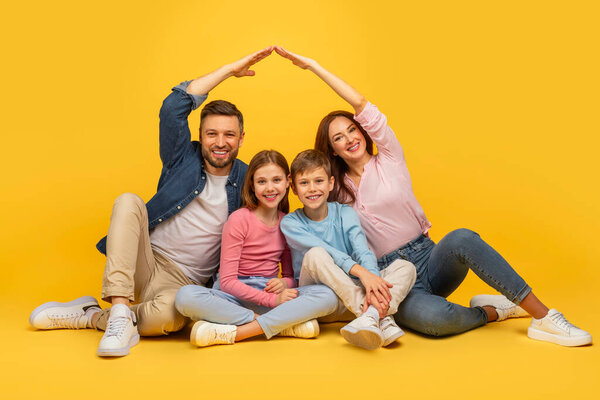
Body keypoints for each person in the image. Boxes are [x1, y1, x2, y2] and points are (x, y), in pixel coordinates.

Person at [274, 46, 592, 347]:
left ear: (363, 131)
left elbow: (363, 104)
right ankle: (496, 311)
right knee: (435, 322)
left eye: (352, 130)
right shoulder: (333, 188)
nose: (349, 139)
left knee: (463, 238)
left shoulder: (389, 157)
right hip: (389, 277)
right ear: (332, 149)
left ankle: (544, 317)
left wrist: (313, 67)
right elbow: (309, 203)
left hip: (429, 256)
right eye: (338, 138)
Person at [29, 47, 275, 356]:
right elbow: (172, 108)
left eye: (229, 134)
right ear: (200, 135)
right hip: (143, 258)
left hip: (185, 282)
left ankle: (91, 315)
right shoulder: (181, 157)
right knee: (128, 201)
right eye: (212, 133)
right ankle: (119, 309)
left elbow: (274, 224)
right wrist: (229, 70)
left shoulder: (249, 179)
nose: (220, 142)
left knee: (170, 320)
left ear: (241, 138)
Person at [175, 150, 339, 347]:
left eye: (276, 180)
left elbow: (290, 276)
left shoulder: (287, 223)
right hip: (233, 299)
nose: (270, 188)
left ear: (288, 182)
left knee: (328, 296)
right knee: (185, 296)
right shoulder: (239, 219)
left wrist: (284, 284)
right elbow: (227, 282)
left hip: (269, 293)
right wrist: (273, 302)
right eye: (262, 182)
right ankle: (280, 325)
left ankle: (241, 330)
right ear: (252, 185)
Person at [280, 150, 416, 350]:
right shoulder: (290, 222)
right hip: (322, 298)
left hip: (352, 297)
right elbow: (326, 251)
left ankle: (372, 314)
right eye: (304, 183)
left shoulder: (345, 212)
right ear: (293, 188)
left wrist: (373, 282)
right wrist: (361, 272)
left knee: (406, 267)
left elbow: (363, 251)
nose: (312, 189)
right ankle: (378, 315)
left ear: (331, 183)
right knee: (316, 254)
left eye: (319, 181)